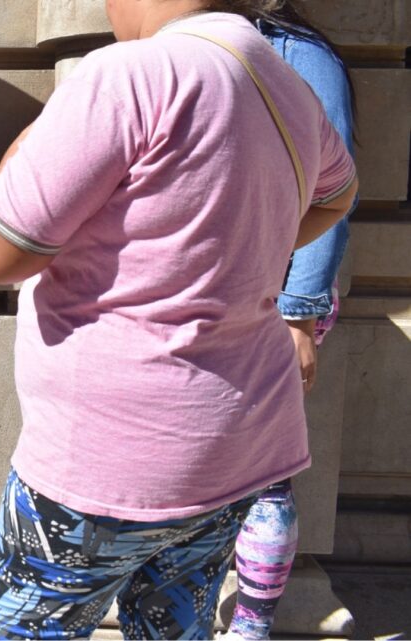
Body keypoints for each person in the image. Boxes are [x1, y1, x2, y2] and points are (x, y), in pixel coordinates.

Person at [0, 0, 358, 637]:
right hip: (234, 446)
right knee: (176, 627)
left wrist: (27, 149)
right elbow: (339, 193)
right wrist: (246, 246)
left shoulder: (129, 74)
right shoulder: (286, 82)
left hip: (106, 455)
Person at [226, 3, 358, 638]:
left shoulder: (300, 54)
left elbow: (331, 190)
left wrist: (299, 318)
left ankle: (250, 628)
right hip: (215, 292)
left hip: (273, 301)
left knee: (266, 482)